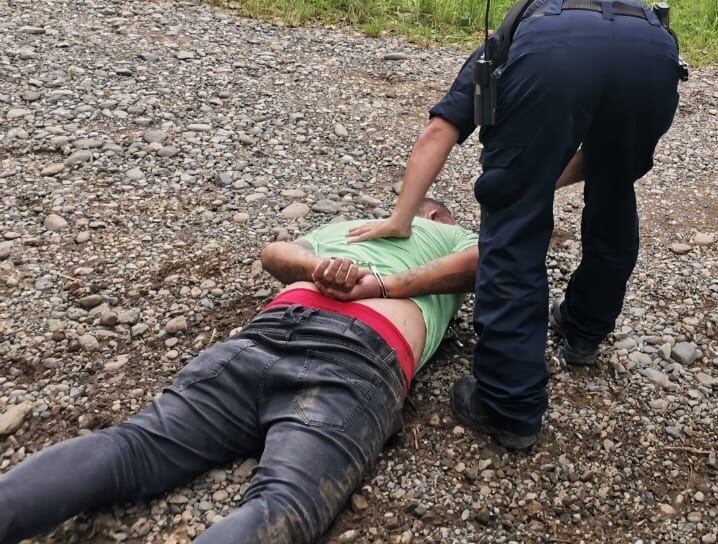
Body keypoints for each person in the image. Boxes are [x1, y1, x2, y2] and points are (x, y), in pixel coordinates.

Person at [0, 199, 478, 544]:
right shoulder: (451, 235)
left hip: (268, 331)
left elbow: (275, 254)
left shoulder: (346, 229)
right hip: (358, 351)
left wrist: (322, 268)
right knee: (284, 504)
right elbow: (488, 260)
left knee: (133, 446)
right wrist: (386, 284)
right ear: (438, 216)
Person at [347, 0, 684, 451]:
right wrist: (537, 177)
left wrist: (401, 219)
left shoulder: (517, 36)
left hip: (556, 56)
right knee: (615, 188)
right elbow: (603, 159)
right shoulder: (619, 17)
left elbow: (440, 130)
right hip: (654, 54)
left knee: (514, 227)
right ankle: (583, 331)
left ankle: (509, 404)